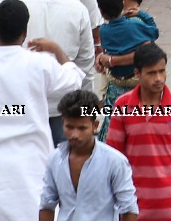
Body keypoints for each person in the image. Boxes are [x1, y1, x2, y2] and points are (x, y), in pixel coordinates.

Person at [0, 0, 89, 221]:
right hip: (32, 166)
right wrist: (56, 50)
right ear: (24, 31)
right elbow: (73, 81)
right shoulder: (40, 64)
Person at [105, 42, 171, 221]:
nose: (159, 78)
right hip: (131, 206)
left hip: (170, 207)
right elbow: (113, 157)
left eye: (162, 71)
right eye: (152, 73)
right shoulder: (122, 106)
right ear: (137, 73)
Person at [42, 88, 138, 221]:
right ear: (63, 123)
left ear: (95, 125)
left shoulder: (115, 162)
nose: (75, 134)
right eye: (69, 127)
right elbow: (46, 205)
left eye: (82, 128)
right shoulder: (54, 159)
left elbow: (129, 209)